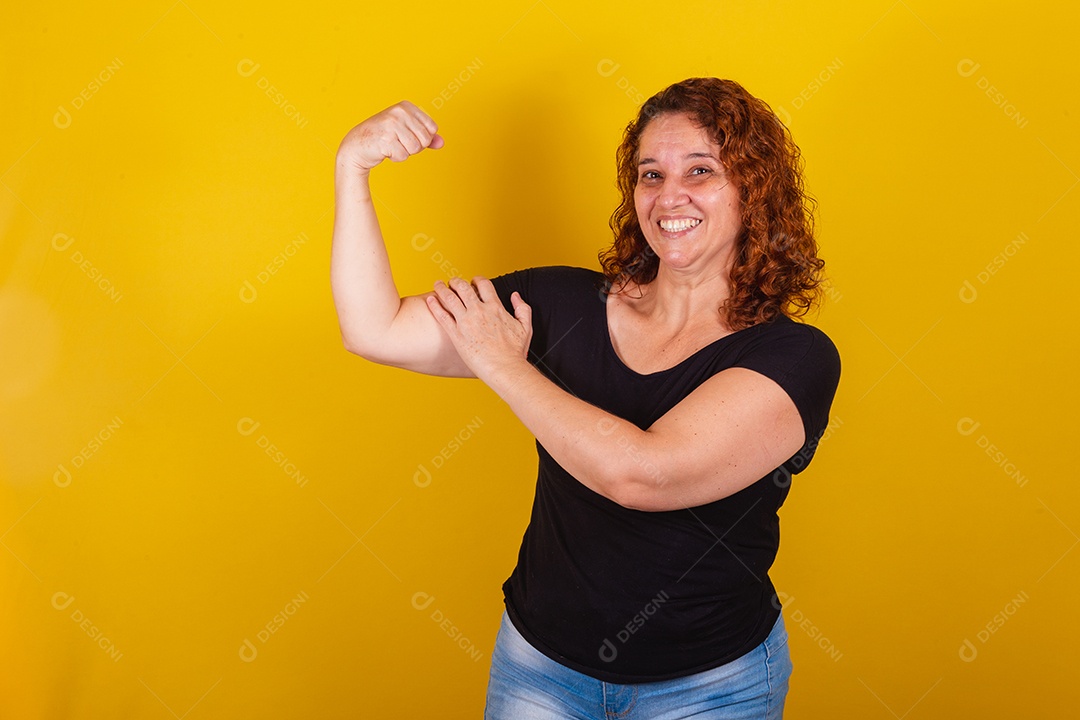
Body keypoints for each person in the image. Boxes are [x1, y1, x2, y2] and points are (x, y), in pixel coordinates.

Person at [331, 77, 841, 719]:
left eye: (701, 170)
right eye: (651, 175)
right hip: (538, 670)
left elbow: (643, 475)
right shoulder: (559, 303)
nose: (669, 195)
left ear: (754, 190)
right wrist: (352, 168)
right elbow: (374, 329)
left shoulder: (794, 357)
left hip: (710, 688)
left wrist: (504, 365)